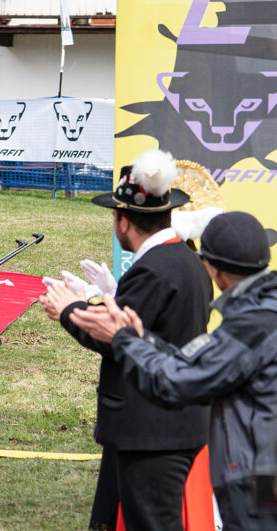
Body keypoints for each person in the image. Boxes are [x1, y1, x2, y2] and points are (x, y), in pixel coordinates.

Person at [65, 211, 277, 530]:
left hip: (257, 474)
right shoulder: (262, 313)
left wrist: (124, 337)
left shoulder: (248, 329)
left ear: (214, 269)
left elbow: (177, 380)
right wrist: (143, 337)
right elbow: (194, 361)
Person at [39, 149, 211, 531]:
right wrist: (107, 296)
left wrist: (71, 308)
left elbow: (114, 337)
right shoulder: (184, 259)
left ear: (123, 221)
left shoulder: (153, 268)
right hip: (168, 419)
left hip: (151, 427)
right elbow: (146, 327)